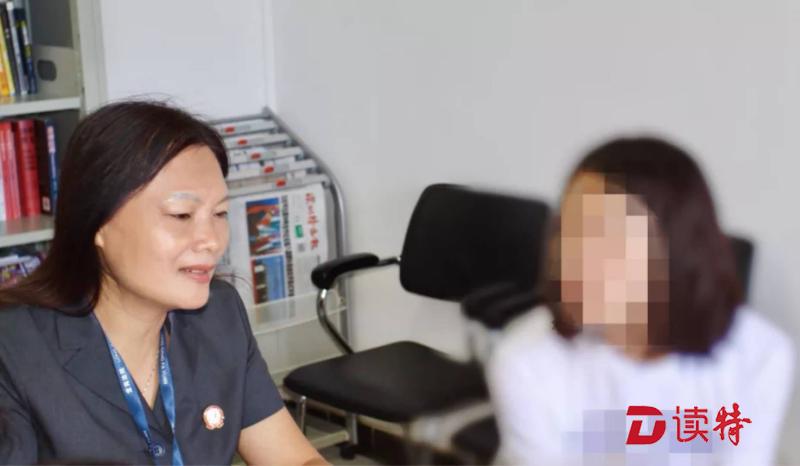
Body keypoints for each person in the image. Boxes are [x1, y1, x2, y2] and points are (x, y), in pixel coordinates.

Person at [0, 101, 328, 465]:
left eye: (220, 213)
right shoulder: (14, 349)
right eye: (181, 215)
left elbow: (296, 460)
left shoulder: (219, 316)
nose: (212, 240)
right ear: (98, 223)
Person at [488, 137, 795, 465]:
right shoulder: (526, 359)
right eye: (567, 230)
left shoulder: (759, 355)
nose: (571, 259)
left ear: (678, 249)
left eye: (607, 238)